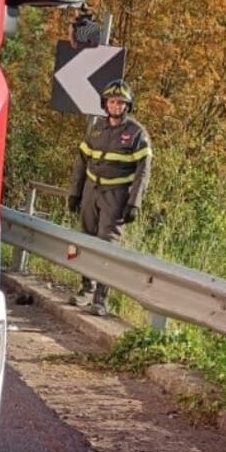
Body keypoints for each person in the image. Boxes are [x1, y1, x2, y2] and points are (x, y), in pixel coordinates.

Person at [66, 78, 153, 316]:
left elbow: (143, 171)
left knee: (107, 246)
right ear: (105, 104)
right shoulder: (96, 129)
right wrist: (75, 193)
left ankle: (100, 300)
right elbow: (80, 163)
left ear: (127, 106)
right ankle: (85, 289)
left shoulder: (136, 133)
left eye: (121, 103)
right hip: (90, 193)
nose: (116, 106)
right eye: (112, 102)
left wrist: (134, 203)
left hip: (116, 197)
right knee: (86, 242)